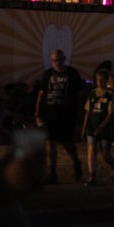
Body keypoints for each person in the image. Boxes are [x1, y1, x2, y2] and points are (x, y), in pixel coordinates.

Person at [34, 49, 84, 184]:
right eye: (55, 60)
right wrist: (37, 113)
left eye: (60, 60)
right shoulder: (48, 74)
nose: (58, 63)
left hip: (67, 114)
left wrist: (80, 114)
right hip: (50, 114)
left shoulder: (72, 73)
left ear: (64, 58)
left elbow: (79, 95)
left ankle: (76, 161)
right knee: (50, 143)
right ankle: (52, 173)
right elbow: (41, 94)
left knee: (67, 143)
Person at [80, 68, 114, 185]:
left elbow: (110, 114)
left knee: (105, 154)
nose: (99, 82)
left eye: (102, 80)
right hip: (92, 127)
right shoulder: (92, 93)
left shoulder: (109, 95)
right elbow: (88, 111)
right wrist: (84, 128)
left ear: (106, 81)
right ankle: (92, 176)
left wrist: (101, 127)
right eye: (97, 80)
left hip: (104, 128)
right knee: (91, 150)